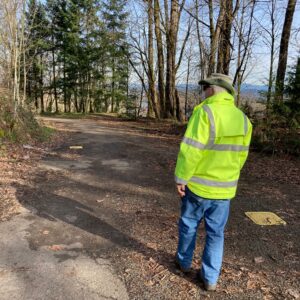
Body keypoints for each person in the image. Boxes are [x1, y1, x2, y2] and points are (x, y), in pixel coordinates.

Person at [174, 73, 252, 291]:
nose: (203, 90)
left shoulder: (205, 112)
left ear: (214, 89)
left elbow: (190, 151)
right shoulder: (243, 120)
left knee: (189, 225)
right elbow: (241, 157)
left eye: (205, 87)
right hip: (224, 191)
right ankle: (210, 278)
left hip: (198, 187)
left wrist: (181, 178)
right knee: (216, 233)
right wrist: (228, 177)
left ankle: (183, 263)